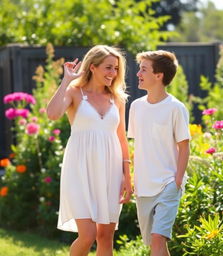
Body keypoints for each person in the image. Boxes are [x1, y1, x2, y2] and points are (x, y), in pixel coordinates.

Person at [47, 45, 132, 256]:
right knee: (87, 235)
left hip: (110, 171)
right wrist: (66, 80)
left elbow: (121, 138)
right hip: (79, 169)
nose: (113, 73)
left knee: (105, 236)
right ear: (92, 67)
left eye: (115, 68)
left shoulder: (118, 98)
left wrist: (127, 176)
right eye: (108, 67)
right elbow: (52, 114)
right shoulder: (74, 92)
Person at [128, 50, 191, 256]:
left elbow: (184, 146)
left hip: (168, 183)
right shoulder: (136, 107)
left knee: (157, 238)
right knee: (156, 244)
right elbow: (139, 146)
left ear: (159, 75)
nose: (138, 73)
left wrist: (178, 180)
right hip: (144, 186)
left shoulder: (175, 108)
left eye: (143, 69)